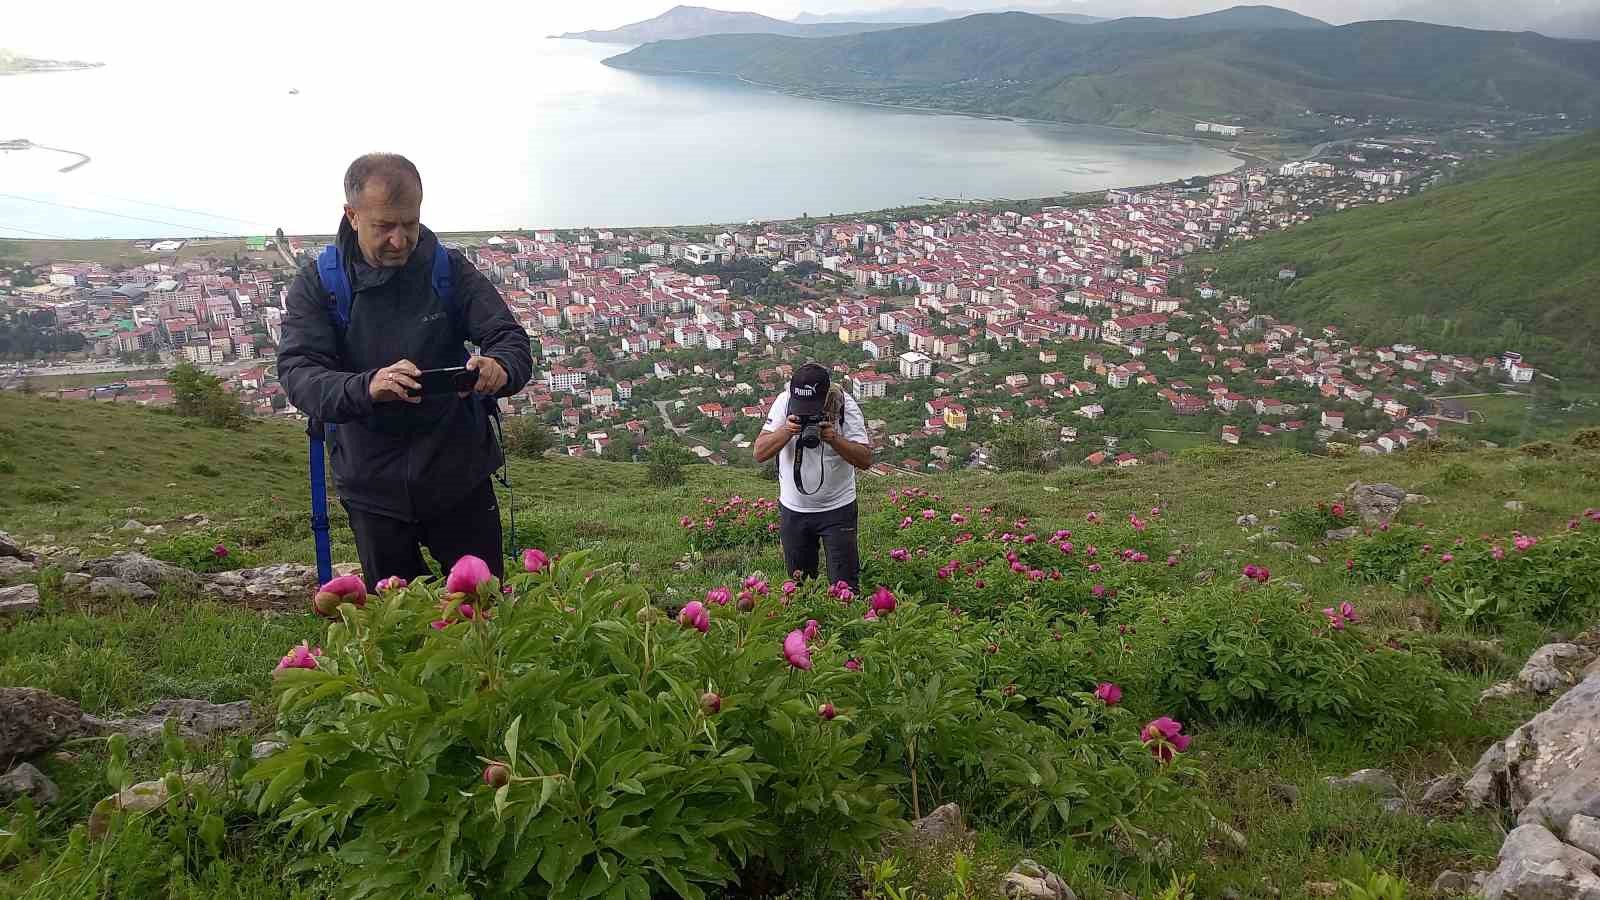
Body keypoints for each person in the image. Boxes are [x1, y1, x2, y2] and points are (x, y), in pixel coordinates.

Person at [278, 153, 532, 589]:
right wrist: (368, 386)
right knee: (398, 625)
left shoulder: (447, 270)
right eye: (384, 227)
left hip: (458, 474)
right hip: (372, 486)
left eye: (410, 223)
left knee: (485, 613)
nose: (400, 239)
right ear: (352, 216)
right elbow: (299, 373)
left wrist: (499, 368)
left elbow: (510, 339)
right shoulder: (322, 285)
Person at [753, 363, 873, 590]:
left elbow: (865, 459)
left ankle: (845, 624)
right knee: (800, 586)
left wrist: (834, 439)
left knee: (845, 585)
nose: (806, 412)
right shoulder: (785, 402)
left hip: (838, 509)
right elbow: (759, 452)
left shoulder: (845, 405)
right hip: (794, 510)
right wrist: (787, 431)